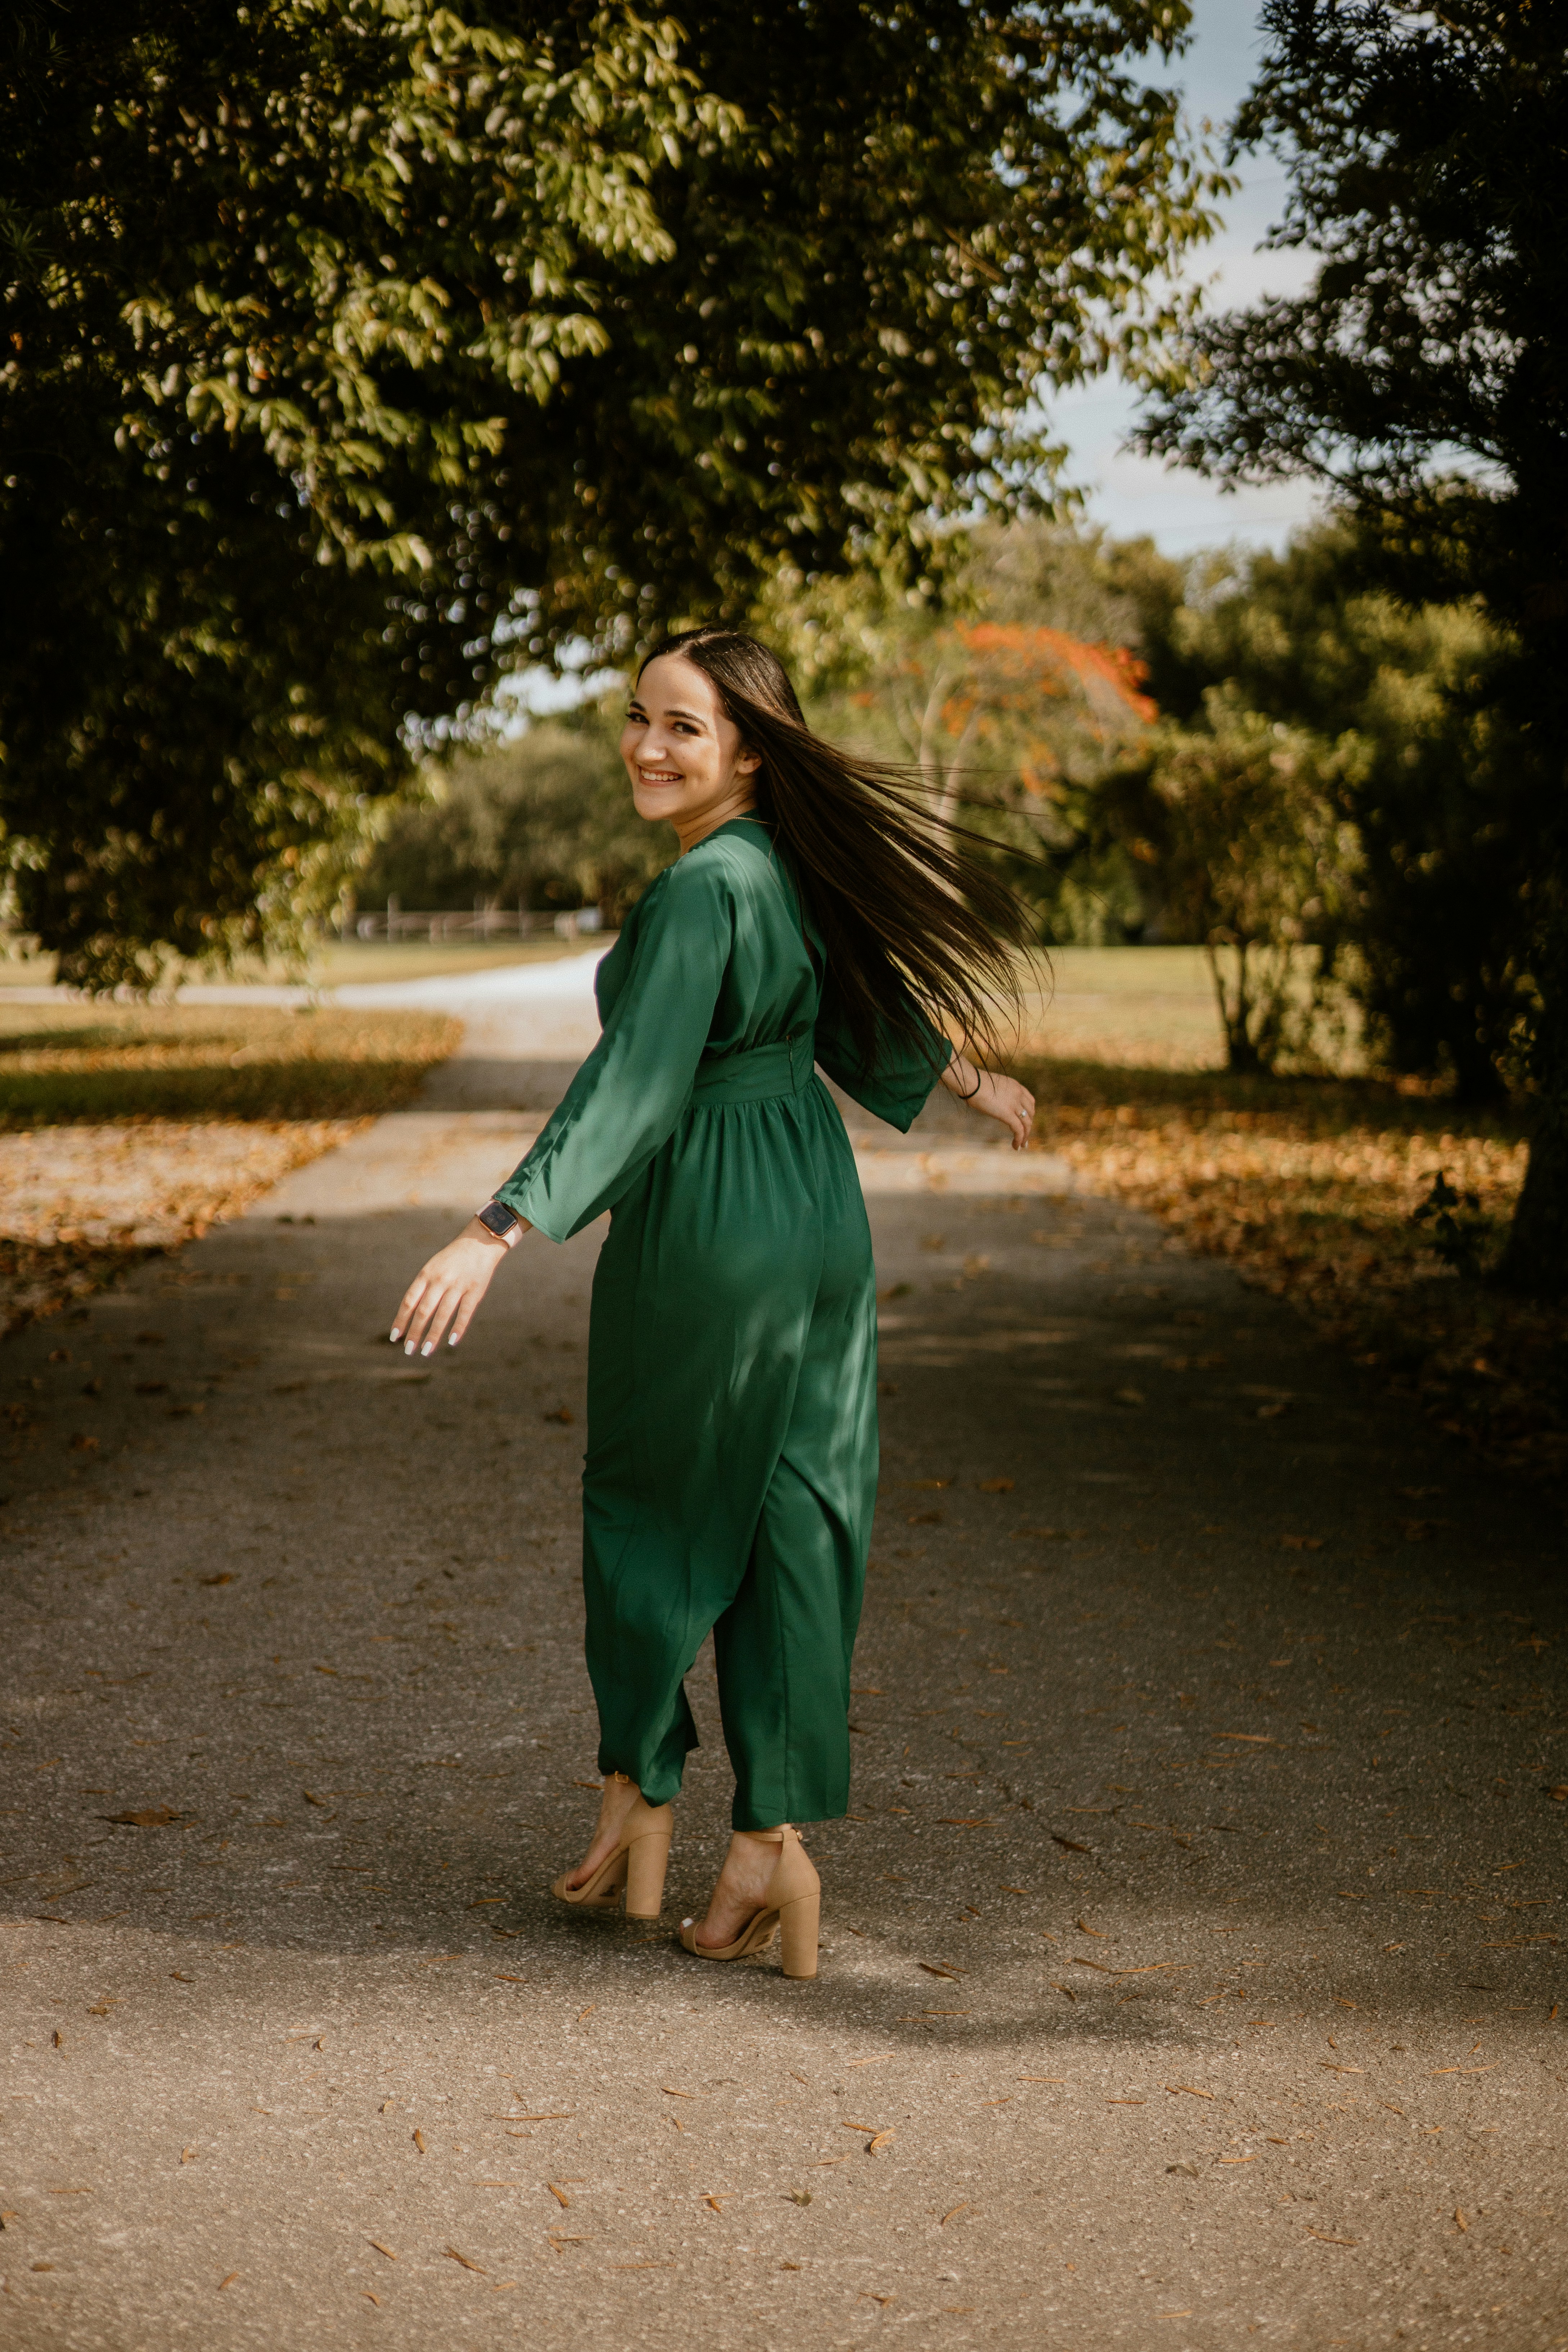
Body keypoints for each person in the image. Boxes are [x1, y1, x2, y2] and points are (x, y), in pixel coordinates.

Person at [389, 628, 1036, 1979]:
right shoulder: (781, 870)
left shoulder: (700, 892)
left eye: (683, 726)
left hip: (711, 1216)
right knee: (799, 1512)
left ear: (748, 747)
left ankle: (637, 1785)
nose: (646, 745)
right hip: (813, 1206)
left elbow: (634, 1087)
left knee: (651, 1498)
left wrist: (494, 1226)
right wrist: (973, 1086)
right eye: (638, 718)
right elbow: (857, 1015)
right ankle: (769, 1850)